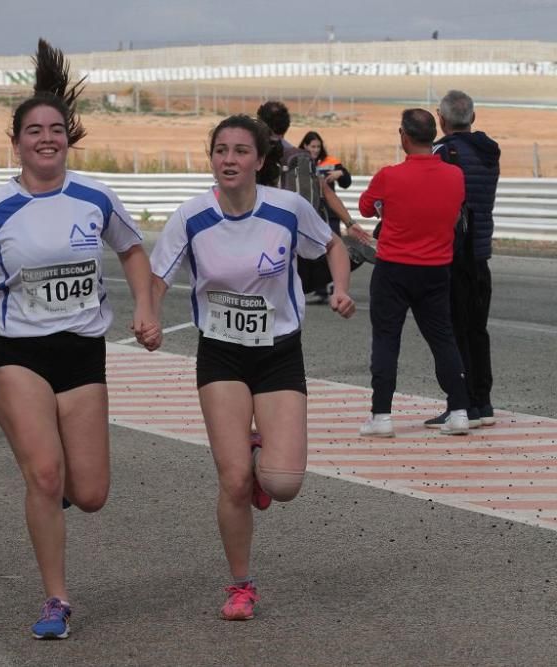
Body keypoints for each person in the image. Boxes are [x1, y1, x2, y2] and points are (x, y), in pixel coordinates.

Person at [0, 39, 159, 640]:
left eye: (55, 129)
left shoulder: (95, 196)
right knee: (45, 475)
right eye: (33, 131)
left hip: (81, 352)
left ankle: (55, 495)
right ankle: (56, 599)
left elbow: (134, 250)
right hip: (17, 354)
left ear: (68, 137)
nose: (46, 138)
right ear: (16, 143)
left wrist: (143, 306)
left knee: (90, 494)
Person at [150, 114, 355, 622]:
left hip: (279, 351)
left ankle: (265, 454)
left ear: (260, 161)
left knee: (283, 484)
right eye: (221, 150)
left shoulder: (286, 207)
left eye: (241, 151)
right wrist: (145, 313)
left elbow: (332, 245)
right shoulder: (192, 216)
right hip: (220, 352)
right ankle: (241, 584)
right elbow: (157, 274)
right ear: (211, 157)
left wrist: (342, 287)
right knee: (234, 479)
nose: (229, 160)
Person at [357, 109, 470, 437]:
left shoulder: (389, 176)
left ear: (404, 136)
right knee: (443, 339)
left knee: (386, 339)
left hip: (394, 268)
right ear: (432, 136)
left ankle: (381, 416)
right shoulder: (454, 176)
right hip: (436, 268)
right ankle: (460, 410)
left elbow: (366, 207)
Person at [424, 90, 501, 428]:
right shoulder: (489, 152)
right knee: (476, 329)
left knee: (454, 330)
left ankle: (462, 403)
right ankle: (482, 402)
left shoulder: (442, 152)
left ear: (441, 119)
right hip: (480, 252)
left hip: (452, 253)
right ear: (473, 117)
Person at [256, 103, 372, 303]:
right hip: (294, 231)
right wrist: (350, 224)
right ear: (286, 125)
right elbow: (325, 191)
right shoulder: (297, 155)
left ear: (260, 122)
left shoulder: (252, 151)